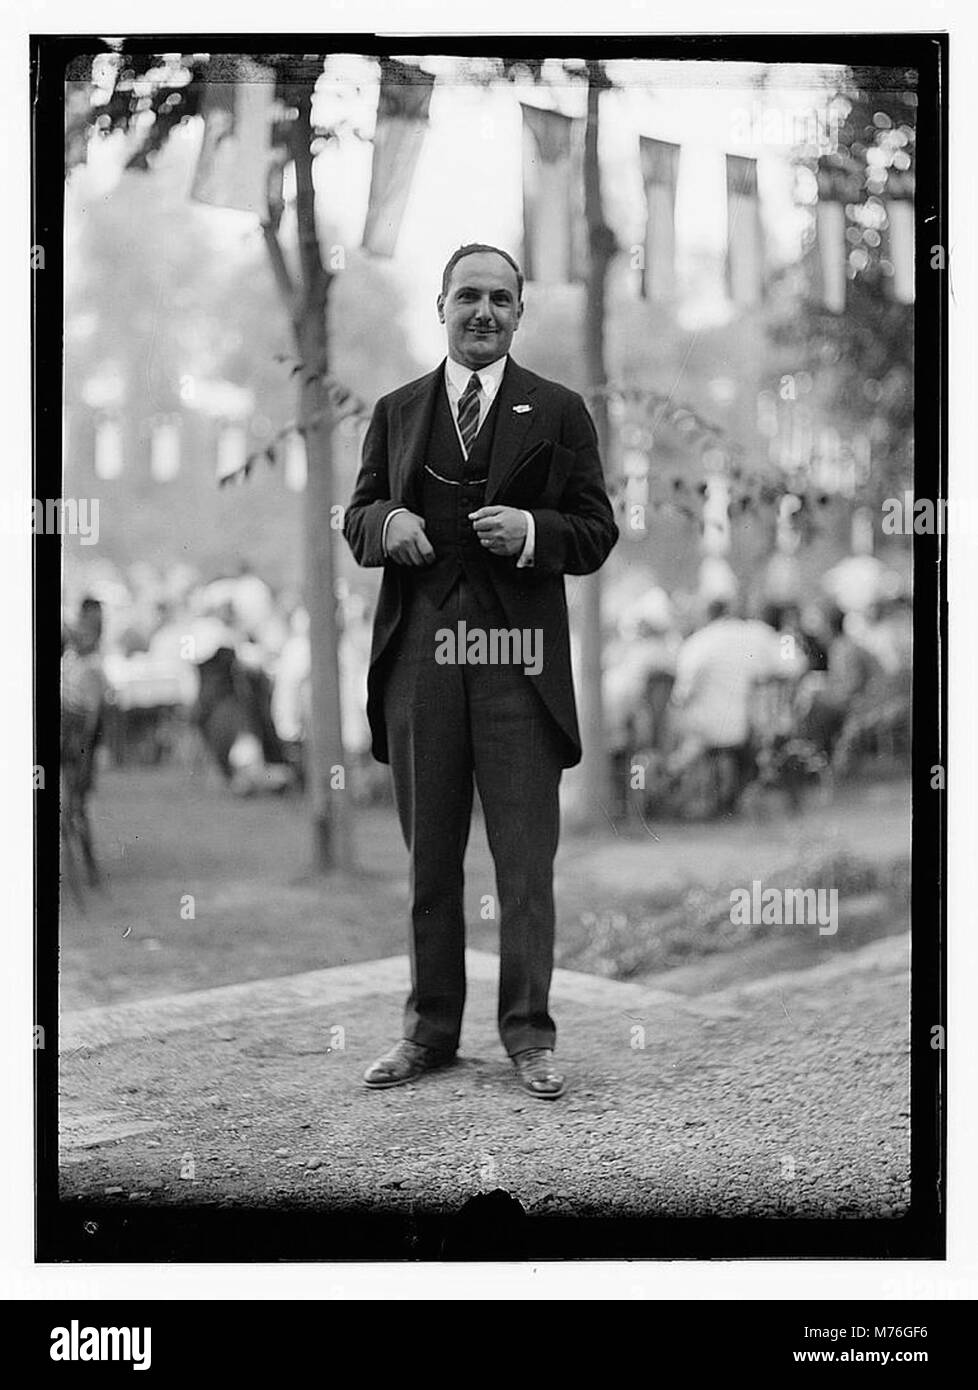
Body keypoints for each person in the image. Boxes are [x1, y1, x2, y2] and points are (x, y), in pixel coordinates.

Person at [343, 244, 618, 1099]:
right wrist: (386, 522)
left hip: (517, 667)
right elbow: (353, 518)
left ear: (519, 313)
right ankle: (428, 1032)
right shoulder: (394, 413)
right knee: (429, 861)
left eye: (502, 299)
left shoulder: (561, 411)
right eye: (468, 296)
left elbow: (595, 531)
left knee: (524, 866)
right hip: (421, 662)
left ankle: (529, 1037)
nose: (484, 312)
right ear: (441, 305)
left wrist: (535, 532)